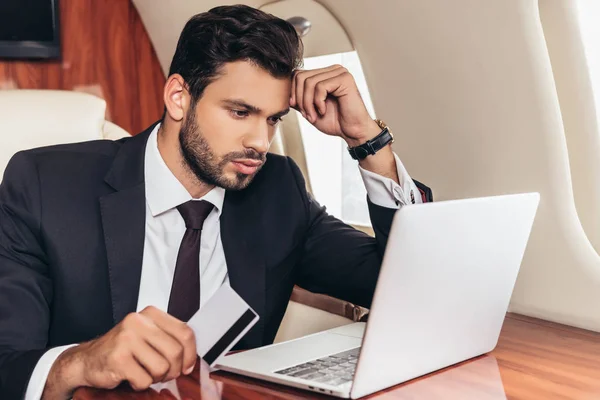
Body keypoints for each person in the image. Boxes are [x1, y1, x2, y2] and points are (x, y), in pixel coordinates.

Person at [0, 4, 431, 399]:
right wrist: (82, 361)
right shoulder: (43, 186)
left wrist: (367, 141)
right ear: (178, 97)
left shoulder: (278, 190)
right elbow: (8, 363)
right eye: (241, 112)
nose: (261, 143)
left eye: (274, 118)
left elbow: (403, 286)